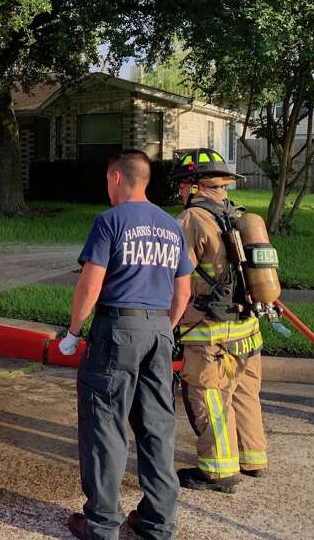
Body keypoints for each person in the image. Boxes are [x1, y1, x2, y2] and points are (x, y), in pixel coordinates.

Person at [59, 150, 192, 540]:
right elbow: (183, 292)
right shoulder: (172, 226)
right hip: (159, 334)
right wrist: (163, 328)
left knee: (105, 426)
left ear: (116, 177)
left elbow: (90, 285)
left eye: (107, 180)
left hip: (118, 329)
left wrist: (74, 331)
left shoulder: (109, 221)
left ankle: (101, 524)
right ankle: (157, 522)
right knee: (157, 428)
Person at [170, 148, 269, 493]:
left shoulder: (191, 220)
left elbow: (176, 275)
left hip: (211, 330)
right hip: (247, 327)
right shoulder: (238, 216)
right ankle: (252, 457)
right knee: (244, 393)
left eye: (182, 185)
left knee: (209, 396)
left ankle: (218, 470)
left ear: (196, 185)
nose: (180, 192)